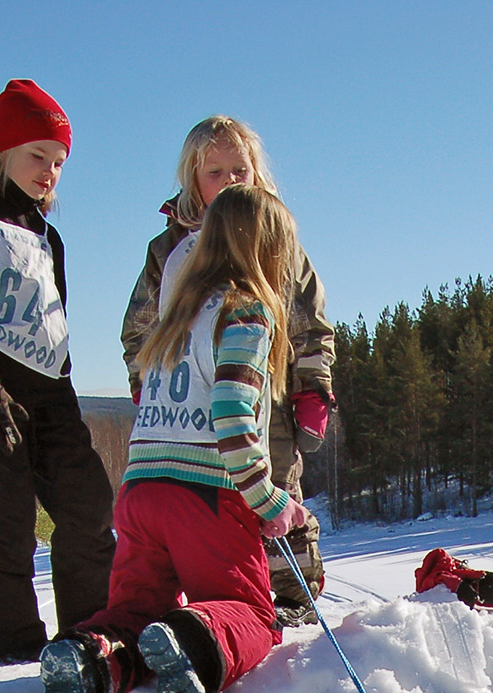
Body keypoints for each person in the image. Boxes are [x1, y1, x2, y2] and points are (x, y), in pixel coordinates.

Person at [37, 184, 308, 693]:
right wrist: (268, 502)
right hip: (206, 496)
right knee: (252, 612)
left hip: (141, 492)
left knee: (133, 611)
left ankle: (89, 666)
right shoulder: (246, 311)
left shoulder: (175, 314)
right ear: (269, 253)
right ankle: (191, 640)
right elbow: (233, 416)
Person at [119, 115, 334, 621]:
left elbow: (311, 324)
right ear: (192, 181)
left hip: (266, 391)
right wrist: (145, 379)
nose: (229, 181)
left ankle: (290, 591)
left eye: (239, 169)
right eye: (215, 172)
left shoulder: (279, 242)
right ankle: (216, 603)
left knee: (273, 482)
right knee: (205, 503)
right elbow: (141, 326)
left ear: (257, 173)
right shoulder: (169, 249)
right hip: (189, 409)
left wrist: (313, 388)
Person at [0, 79, 115, 665]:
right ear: (4, 152)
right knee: (9, 516)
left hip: (52, 394)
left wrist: (64, 388)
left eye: (59, 162)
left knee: (89, 507)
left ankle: (87, 635)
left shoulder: (48, 237)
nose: (49, 171)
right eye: (38, 155)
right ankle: (11, 648)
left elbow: (51, 319)